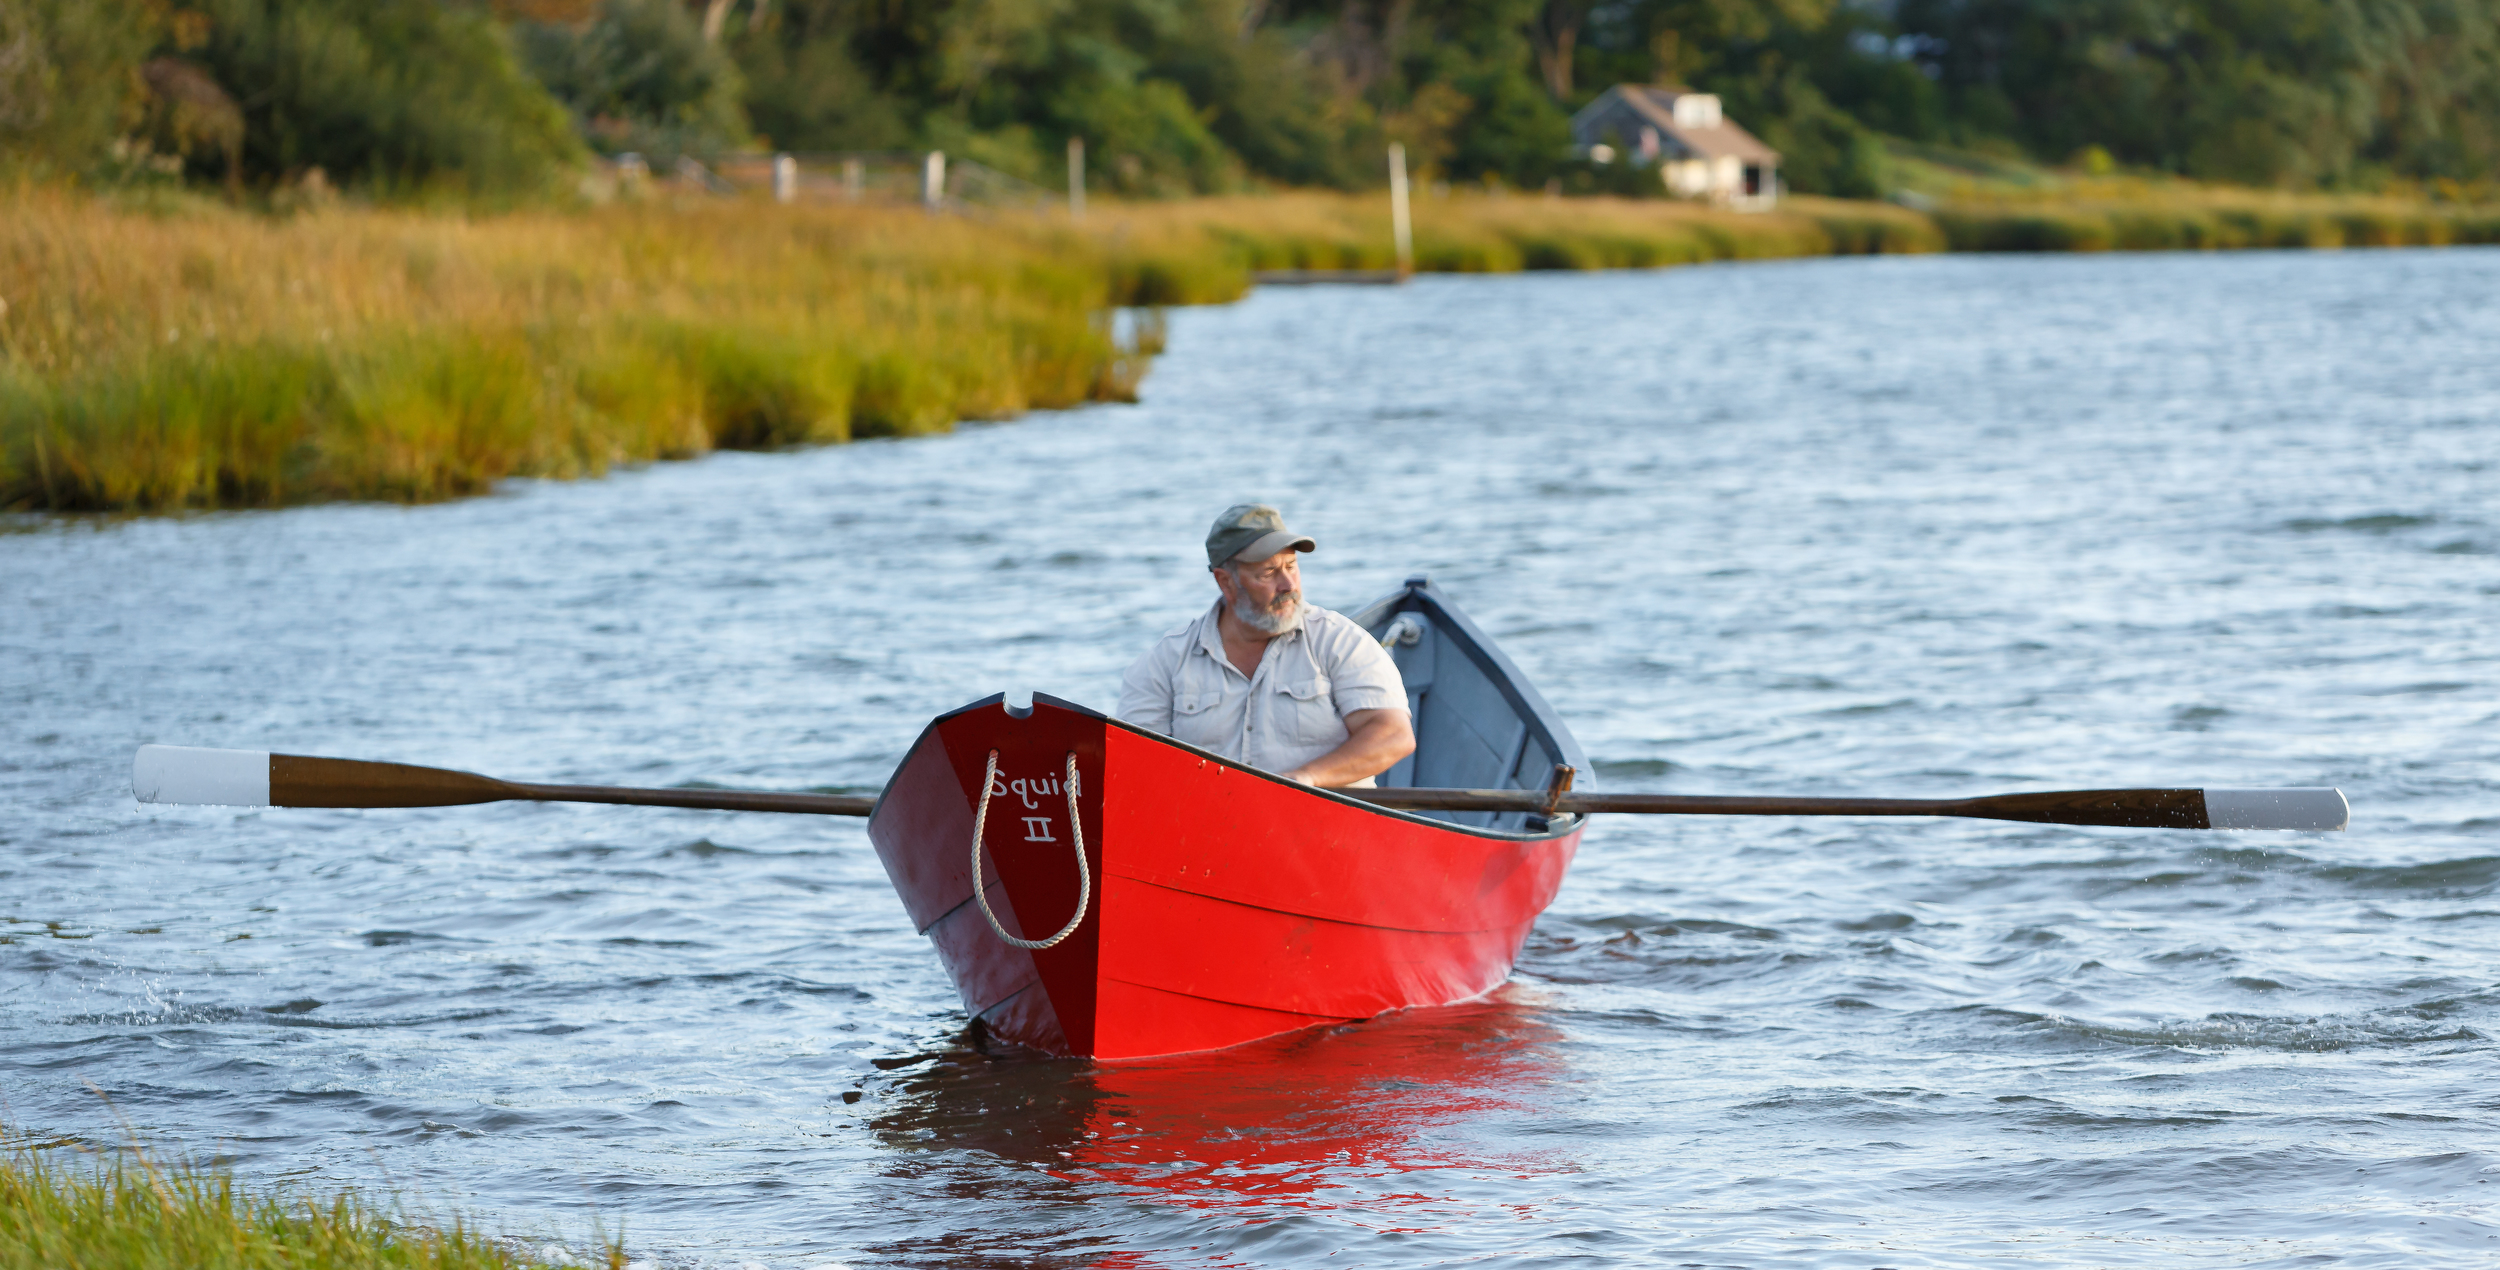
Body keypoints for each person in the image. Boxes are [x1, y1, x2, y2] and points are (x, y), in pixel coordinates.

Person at [1117, 504, 1416, 787]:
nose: (1288, 585)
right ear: (1226, 582)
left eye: (1292, 566)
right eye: (1269, 573)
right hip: (1211, 831)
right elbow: (1134, 763)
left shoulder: (1341, 641)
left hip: (1327, 832)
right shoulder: (1164, 662)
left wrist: (1305, 779)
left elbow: (1393, 736)